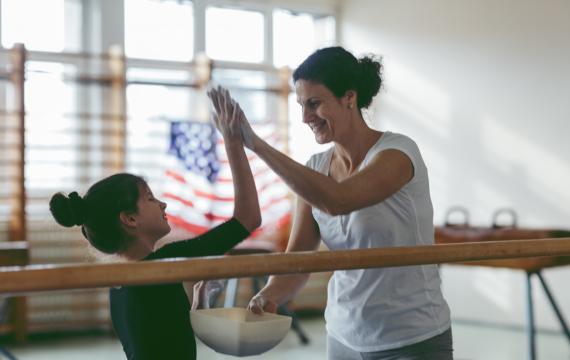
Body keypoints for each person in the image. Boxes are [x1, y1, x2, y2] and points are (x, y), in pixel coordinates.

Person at [210, 47, 453, 360]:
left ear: (348, 98)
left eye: (314, 104)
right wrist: (266, 296)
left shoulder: (398, 153)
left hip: (410, 336)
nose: (305, 117)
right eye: (300, 105)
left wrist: (255, 143)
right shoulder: (316, 168)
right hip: (344, 335)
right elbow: (299, 259)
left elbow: (338, 200)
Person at [49, 88, 260, 360]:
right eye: (150, 198)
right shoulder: (161, 265)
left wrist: (196, 306)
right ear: (130, 219)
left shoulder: (119, 285)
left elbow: (162, 337)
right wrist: (232, 143)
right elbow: (248, 219)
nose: (163, 204)